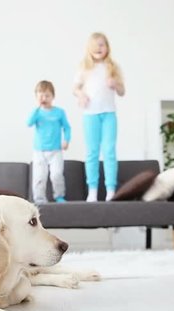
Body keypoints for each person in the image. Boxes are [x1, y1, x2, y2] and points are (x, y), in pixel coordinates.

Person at [73, 32, 125, 202]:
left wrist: (115, 84)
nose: (98, 48)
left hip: (109, 114)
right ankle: (92, 191)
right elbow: (75, 88)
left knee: (109, 152)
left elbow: (122, 92)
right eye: (95, 45)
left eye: (102, 45)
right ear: (89, 48)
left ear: (107, 47)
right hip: (90, 115)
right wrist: (81, 94)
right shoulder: (84, 67)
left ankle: (111, 190)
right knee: (92, 153)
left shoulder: (113, 67)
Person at [27, 80, 71, 204]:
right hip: (39, 151)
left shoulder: (59, 112)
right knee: (39, 177)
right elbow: (28, 123)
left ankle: (59, 196)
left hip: (56, 150)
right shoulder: (37, 113)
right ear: (36, 97)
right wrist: (37, 108)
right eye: (41, 95)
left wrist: (66, 140)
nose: (44, 98)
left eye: (47, 95)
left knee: (56, 175)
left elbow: (67, 128)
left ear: (53, 96)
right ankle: (40, 199)